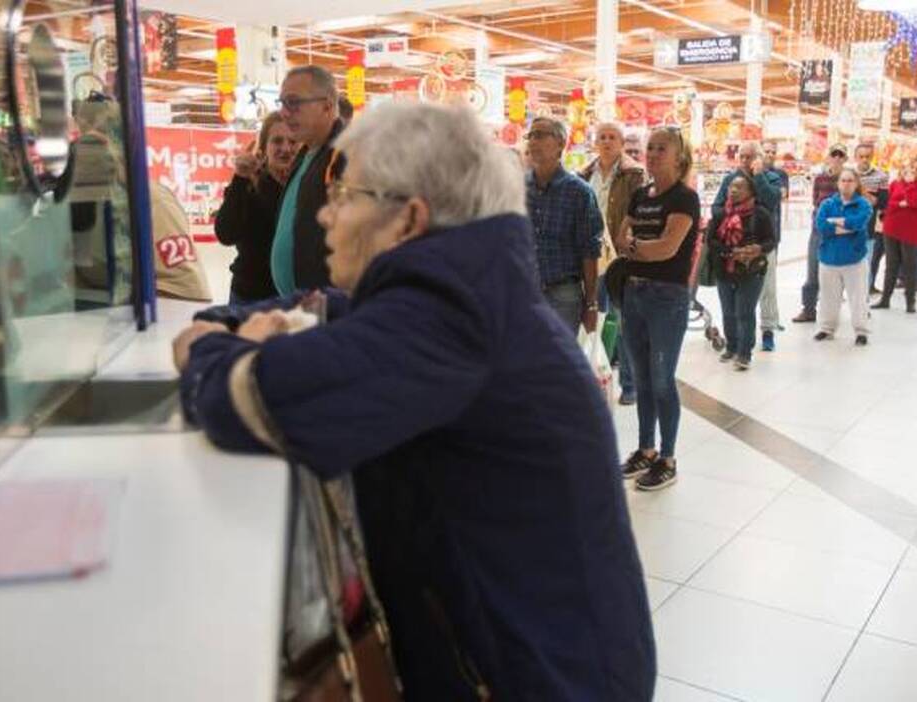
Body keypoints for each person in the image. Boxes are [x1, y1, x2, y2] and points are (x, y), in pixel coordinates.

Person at [171, 102, 656, 700]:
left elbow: (250, 402)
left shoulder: (451, 318)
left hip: (539, 679)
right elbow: (306, 308)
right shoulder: (460, 291)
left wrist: (208, 353)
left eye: (345, 194)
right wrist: (228, 329)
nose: (325, 215)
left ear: (408, 220)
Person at [612, 127, 699, 492]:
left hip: (667, 298)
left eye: (661, 148)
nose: (652, 153)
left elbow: (668, 248)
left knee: (662, 379)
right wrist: (637, 247)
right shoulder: (640, 195)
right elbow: (619, 238)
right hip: (634, 293)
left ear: (679, 156)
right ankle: (645, 449)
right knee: (642, 377)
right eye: (650, 147)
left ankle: (668, 457)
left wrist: (636, 247)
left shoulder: (685, 198)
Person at [580, 122, 645, 405]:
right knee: (596, 316)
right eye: (602, 137)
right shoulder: (584, 174)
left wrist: (629, 244)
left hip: (620, 258)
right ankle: (593, 376)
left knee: (624, 322)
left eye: (612, 137)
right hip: (592, 257)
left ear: (621, 142)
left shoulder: (634, 174)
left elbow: (639, 214)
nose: (606, 142)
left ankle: (629, 385)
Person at [269, 65, 347, 296]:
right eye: (282, 103)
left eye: (293, 102)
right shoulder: (305, 155)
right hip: (300, 305)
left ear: (327, 104)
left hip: (328, 307)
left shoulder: (344, 155)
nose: (284, 112)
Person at [525, 116, 603, 335]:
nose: (532, 141)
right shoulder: (518, 187)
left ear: (561, 143)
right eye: (530, 136)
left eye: (540, 135)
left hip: (563, 295)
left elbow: (589, 251)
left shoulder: (578, 192)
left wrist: (591, 303)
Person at [215, 111, 298, 303]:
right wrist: (240, 179)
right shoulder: (248, 186)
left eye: (292, 142)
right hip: (250, 297)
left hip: (294, 298)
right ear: (264, 147)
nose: (285, 148)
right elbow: (225, 234)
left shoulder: (304, 186)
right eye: (277, 141)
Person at [709, 142, 783, 347]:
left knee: (767, 289)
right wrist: (730, 216)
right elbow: (716, 207)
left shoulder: (773, 177)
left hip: (761, 244)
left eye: (750, 157)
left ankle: (768, 330)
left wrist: (758, 177)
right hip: (732, 247)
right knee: (735, 299)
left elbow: (770, 202)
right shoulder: (730, 180)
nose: (745, 161)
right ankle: (736, 343)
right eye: (742, 156)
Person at [707, 174, 777, 371]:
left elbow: (771, 240)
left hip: (751, 270)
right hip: (725, 269)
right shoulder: (721, 214)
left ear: (750, 191)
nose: (733, 190)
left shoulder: (760, 214)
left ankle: (744, 353)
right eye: (731, 187)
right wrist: (730, 252)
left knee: (744, 312)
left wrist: (756, 250)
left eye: (739, 187)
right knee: (728, 312)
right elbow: (711, 241)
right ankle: (731, 347)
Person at [814, 168, 873, 346]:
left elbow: (858, 223)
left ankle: (861, 331)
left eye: (850, 181)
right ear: (838, 183)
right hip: (828, 259)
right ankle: (826, 329)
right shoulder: (827, 204)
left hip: (854, 259)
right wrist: (845, 225)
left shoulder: (863, 204)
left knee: (858, 297)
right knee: (828, 297)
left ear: (856, 184)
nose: (846, 184)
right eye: (843, 180)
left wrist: (836, 222)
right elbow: (821, 226)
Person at [793, 146, 846, 323]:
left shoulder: (848, 179)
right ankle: (808, 309)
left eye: (841, 155)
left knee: (834, 275)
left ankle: (830, 313)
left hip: (839, 233)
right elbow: (815, 201)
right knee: (812, 271)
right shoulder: (820, 178)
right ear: (828, 157)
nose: (837, 158)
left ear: (845, 159)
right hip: (818, 230)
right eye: (834, 154)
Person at [873, 155, 917, 314]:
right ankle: (885, 299)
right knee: (891, 265)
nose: (913, 170)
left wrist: (909, 189)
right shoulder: (895, 184)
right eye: (911, 166)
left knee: (910, 266)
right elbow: (889, 203)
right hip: (892, 228)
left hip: (912, 230)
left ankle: (910, 301)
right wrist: (902, 203)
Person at [758, 142, 791, 351]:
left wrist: (760, 176)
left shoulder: (780, 174)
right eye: (766, 151)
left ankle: (769, 325)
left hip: (770, 237)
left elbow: (777, 196)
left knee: (768, 283)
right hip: (747, 238)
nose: (769, 154)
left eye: (772, 151)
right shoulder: (743, 175)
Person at [854, 143, 889, 294]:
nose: (864, 159)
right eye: (861, 156)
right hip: (847, 229)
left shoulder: (881, 176)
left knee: (866, 266)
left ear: (872, 157)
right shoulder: (847, 173)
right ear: (856, 157)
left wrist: (860, 191)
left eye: (867, 156)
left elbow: (881, 202)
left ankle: (864, 302)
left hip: (868, 229)